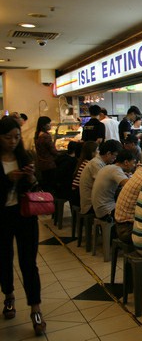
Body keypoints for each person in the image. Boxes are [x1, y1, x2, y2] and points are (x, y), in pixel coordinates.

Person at [0, 117, 47, 336]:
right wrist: (8, 179)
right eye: (7, 137)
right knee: (4, 259)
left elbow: (36, 188)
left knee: (29, 262)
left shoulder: (25, 156)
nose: (13, 142)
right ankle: (9, 295)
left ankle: (35, 309)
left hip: (25, 215)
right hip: (2, 216)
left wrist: (30, 178)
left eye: (16, 137)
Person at [79, 140, 122, 215]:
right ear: (108, 153)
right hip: (91, 205)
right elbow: (105, 184)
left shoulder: (99, 162)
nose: (115, 158)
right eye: (115, 155)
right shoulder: (96, 164)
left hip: (96, 202)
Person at [91, 149, 136, 221]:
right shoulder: (116, 170)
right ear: (126, 162)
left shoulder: (110, 167)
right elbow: (130, 186)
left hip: (99, 208)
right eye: (133, 163)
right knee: (134, 213)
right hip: (106, 210)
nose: (134, 166)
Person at [34, 116, 58, 192]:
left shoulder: (37, 134)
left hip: (41, 163)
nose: (50, 125)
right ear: (43, 125)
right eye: (48, 123)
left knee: (45, 184)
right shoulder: (46, 136)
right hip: (49, 164)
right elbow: (53, 151)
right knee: (50, 185)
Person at [71, 141, 98, 208]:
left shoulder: (83, 161)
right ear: (92, 152)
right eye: (97, 150)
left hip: (75, 193)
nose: (99, 152)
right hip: (78, 195)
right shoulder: (89, 164)